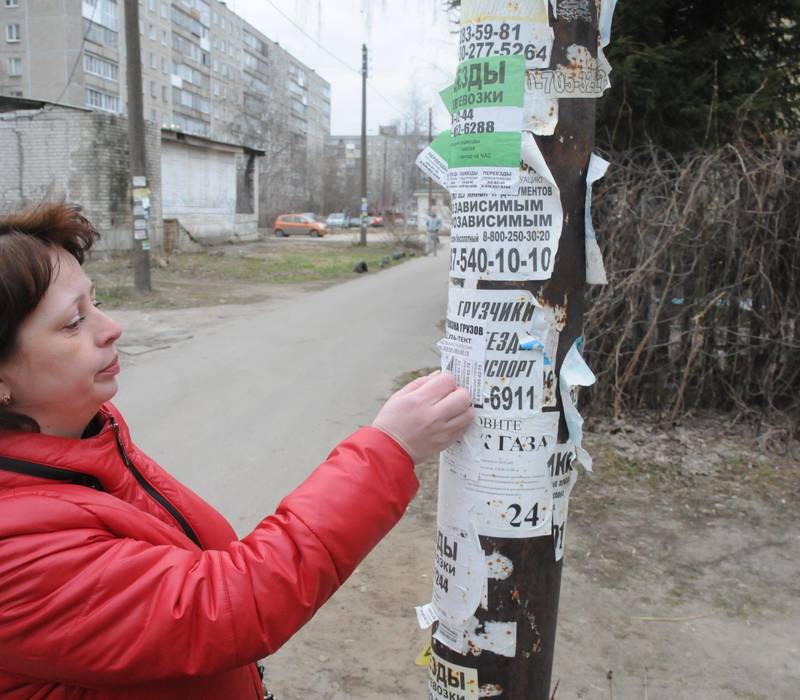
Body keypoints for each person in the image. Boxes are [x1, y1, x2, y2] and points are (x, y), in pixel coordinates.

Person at [0, 202, 473, 699]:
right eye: (74, 322)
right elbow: (225, 605)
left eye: (95, 302)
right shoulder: (13, 547)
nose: (111, 326)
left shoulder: (86, 438)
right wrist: (389, 450)